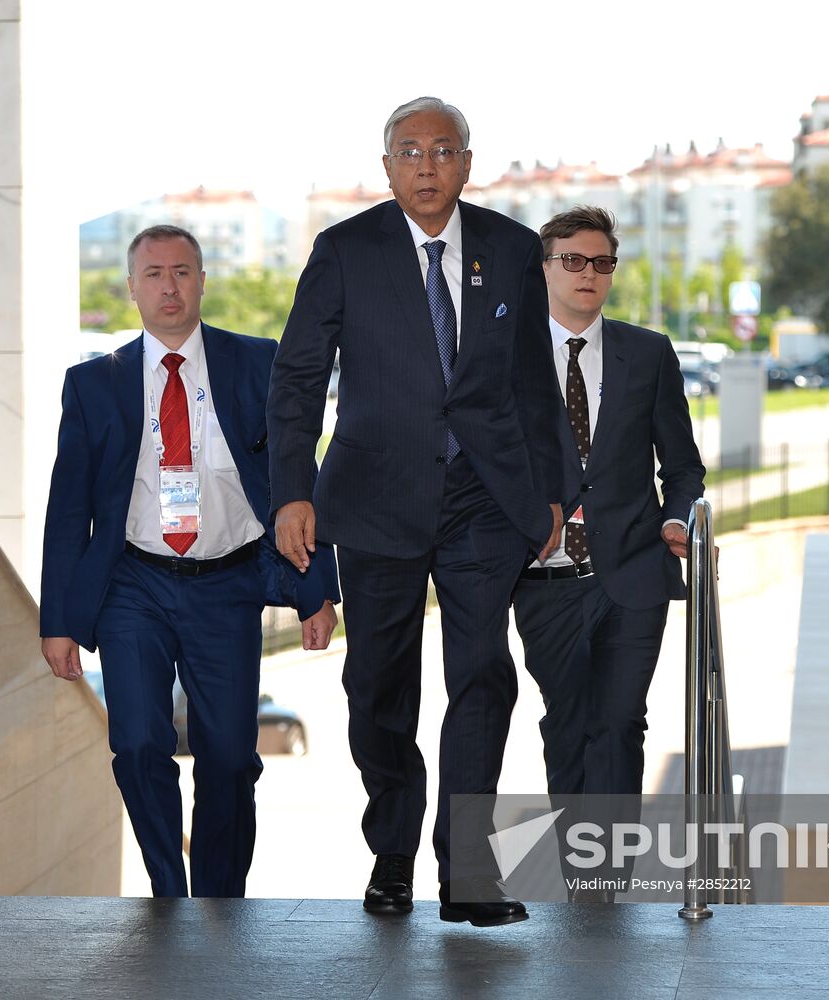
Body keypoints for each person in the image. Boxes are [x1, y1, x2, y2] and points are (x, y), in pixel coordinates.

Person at [267, 96, 564, 927]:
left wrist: (550, 492)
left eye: (442, 150)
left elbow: (533, 385)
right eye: (409, 151)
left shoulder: (509, 249)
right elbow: (295, 380)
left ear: (467, 163)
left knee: (481, 677)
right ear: (387, 165)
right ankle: (392, 852)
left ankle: (468, 871)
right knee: (378, 690)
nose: (426, 166)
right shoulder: (344, 251)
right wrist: (293, 490)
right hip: (372, 503)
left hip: (483, 502)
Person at [40, 224, 340, 898]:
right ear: (132, 288)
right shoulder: (93, 385)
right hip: (132, 585)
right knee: (140, 746)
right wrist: (56, 619)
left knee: (231, 759)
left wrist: (315, 588)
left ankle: (219, 901)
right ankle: (170, 894)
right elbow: (68, 512)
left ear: (202, 281)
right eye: (153, 274)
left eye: (182, 272)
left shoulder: (258, 363)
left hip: (227, 583)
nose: (168, 286)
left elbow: (300, 478)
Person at [511, 206, 705, 901]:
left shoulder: (647, 353)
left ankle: (607, 881)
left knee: (620, 720)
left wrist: (678, 519)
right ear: (544, 269)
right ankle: (578, 869)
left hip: (632, 574)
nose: (588, 274)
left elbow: (681, 467)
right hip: (542, 578)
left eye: (601, 262)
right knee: (569, 723)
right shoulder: (506, 355)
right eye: (573, 260)